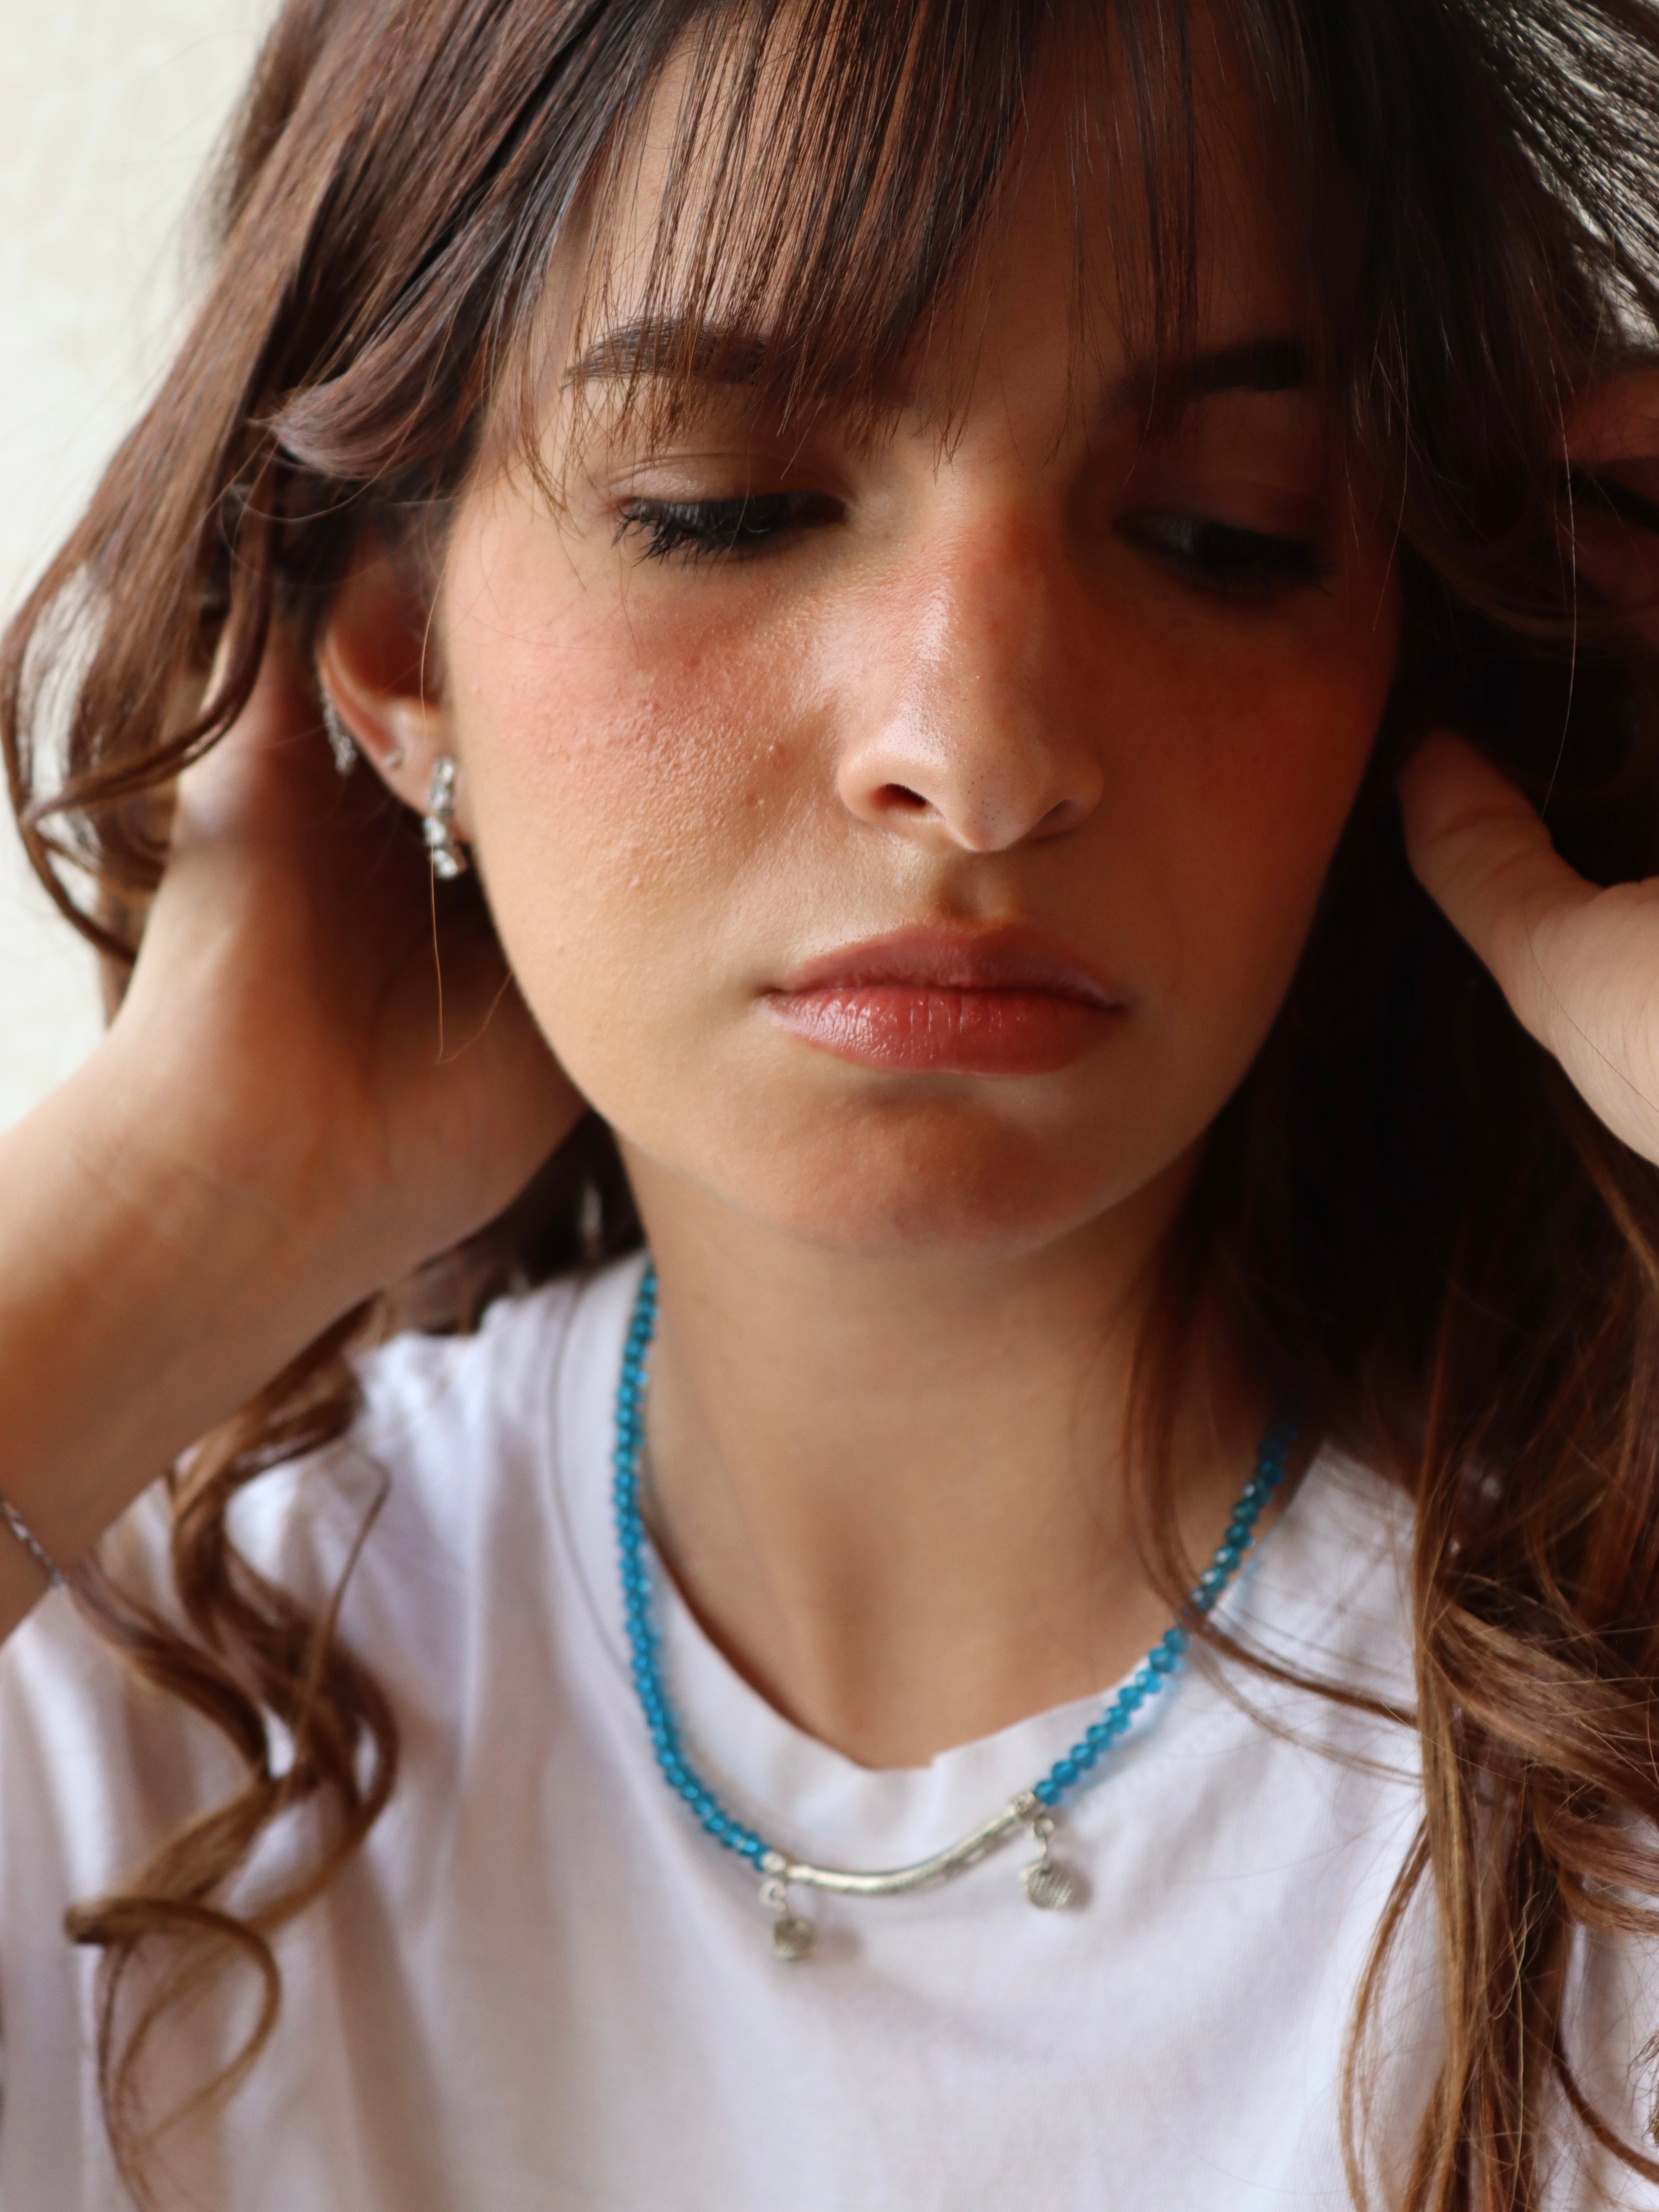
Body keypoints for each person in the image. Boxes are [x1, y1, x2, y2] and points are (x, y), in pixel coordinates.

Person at [6, 0, 1659, 2203]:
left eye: (1217, 531)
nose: (976, 757)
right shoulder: (140, 1703)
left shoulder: (1602, 1769)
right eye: (735, 505)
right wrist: (175, 1201)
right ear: (396, 647)